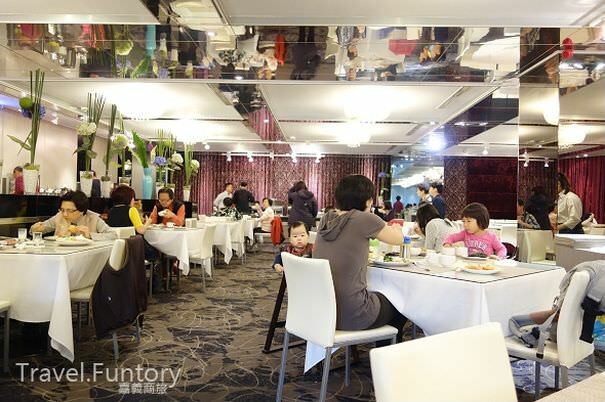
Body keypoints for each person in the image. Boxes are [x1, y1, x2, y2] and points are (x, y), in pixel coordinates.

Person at [313, 174, 407, 341]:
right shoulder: (364, 218)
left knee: (376, 295)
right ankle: (384, 355)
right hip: (353, 314)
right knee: (400, 304)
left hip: (322, 312)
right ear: (368, 201)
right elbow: (398, 239)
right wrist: (398, 229)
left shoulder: (327, 218)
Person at [30, 190, 116, 240]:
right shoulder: (59, 216)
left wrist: (90, 235)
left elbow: (113, 235)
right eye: (62, 209)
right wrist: (35, 229)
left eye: (70, 210)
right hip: (61, 252)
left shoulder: (93, 218)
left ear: (82, 210)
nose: (65, 214)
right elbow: (38, 229)